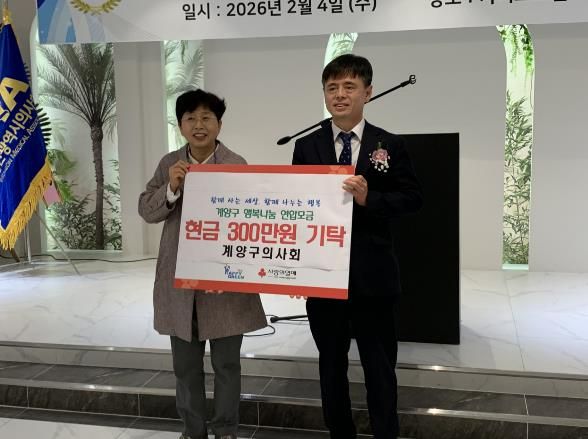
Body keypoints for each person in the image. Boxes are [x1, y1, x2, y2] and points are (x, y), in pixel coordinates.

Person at [292, 54, 423, 438]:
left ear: (368, 92)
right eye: (332, 88)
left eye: (349, 86)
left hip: (373, 276)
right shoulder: (307, 146)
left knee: (379, 367)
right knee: (330, 366)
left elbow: (413, 199)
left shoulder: (389, 144)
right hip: (323, 277)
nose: (340, 95)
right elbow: (295, 206)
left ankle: (385, 433)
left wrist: (370, 199)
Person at [138, 89, 267, 439]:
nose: (199, 125)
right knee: (185, 367)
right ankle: (193, 431)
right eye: (191, 118)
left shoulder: (236, 164)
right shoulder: (169, 164)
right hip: (180, 285)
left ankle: (226, 430)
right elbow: (147, 210)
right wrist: (171, 187)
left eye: (207, 118)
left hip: (225, 285)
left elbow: (251, 219)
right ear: (180, 126)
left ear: (219, 125)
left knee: (227, 364)